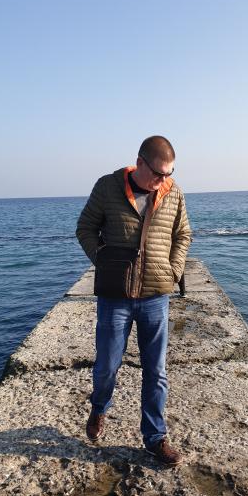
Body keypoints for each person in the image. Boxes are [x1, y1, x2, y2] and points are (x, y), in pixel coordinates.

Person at [75, 135, 192, 465]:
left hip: (156, 296)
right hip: (115, 297)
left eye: (169, 173)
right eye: (158, 173)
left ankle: (155, 438)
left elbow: (183, 234)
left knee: (156, 371)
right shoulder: (108, 187)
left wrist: (174, 270)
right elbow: (85, 228)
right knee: (106, 367)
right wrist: (104, 261)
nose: (163, 180)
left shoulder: (173, 193)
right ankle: (99, 408)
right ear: (139, 163)